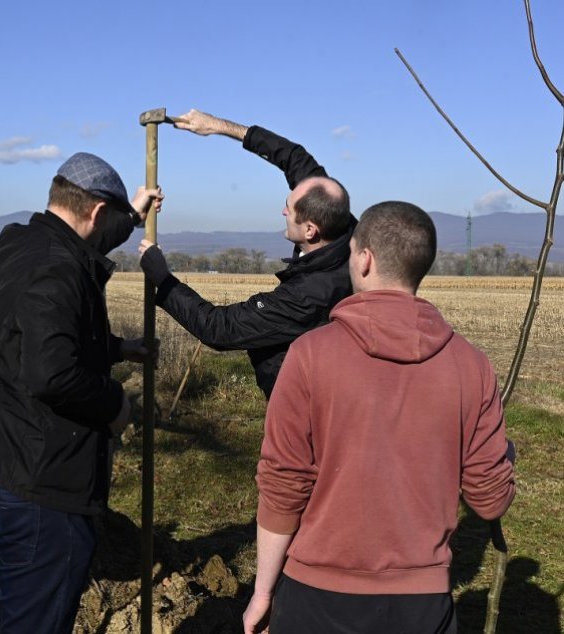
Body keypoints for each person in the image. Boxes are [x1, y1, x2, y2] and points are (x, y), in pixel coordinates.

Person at [243, 202, 516, 633]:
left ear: (365, 259)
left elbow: (283, 486)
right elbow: (490, 499)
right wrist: (504, 459)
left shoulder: (309, 355)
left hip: (316, 597)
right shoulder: (472, 365)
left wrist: (262, 592)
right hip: (422, 604)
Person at [0, 152, 162, 633]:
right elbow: (52, 373)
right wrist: (114, 404)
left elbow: (32, 336)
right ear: (96, 211)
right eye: (110, 218)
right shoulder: (61, 268)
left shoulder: (15, 241)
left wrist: (115, 347)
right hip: (38, 490)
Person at [139, 109, 357, 398]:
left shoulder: (307, 296)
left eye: (289, 209)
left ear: (310, 230)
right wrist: (218, 126)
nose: (283, 211)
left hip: (302, 403)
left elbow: (220, 328)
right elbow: (293, 156)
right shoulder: (338, 220)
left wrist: (164, 280)